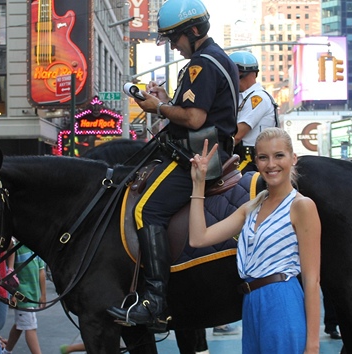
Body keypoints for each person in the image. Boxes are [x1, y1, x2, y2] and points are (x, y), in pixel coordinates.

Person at [106, 0, 239, 332]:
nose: (173, 46)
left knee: (145, 212)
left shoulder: (201, 64)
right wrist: (165, 100)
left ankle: (154, 301)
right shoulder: (214, 59)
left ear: (193, 31)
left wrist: (158, 107)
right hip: (205, 148)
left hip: (199, 154)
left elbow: (194, 118)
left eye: (175, 38)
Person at [188, 128, 321, 353]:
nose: (271, 164)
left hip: (283, 302)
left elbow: (312, 280)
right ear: (256, 162)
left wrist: (313, 345)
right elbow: (199, 238)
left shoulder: (302, 206)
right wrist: (199, 183)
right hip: (251, 304)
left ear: (293, 158)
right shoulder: (253, 205)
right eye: (263, 157)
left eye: (279, 155)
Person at [229, 51, 279, 173]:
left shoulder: (257, 98)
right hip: (242, 158)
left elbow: (237, 135)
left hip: (250, 162)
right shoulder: (243, 97)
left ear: (238, 74)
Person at [2, 240, 46, 354]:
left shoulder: (36, 247)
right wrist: (13, 294)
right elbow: (10, 274)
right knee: (30, 327)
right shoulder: (16, 248)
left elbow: (42, 271)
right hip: (22, 296)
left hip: (32, 295)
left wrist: (43, 295)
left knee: (20, 324)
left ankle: (7, 351)